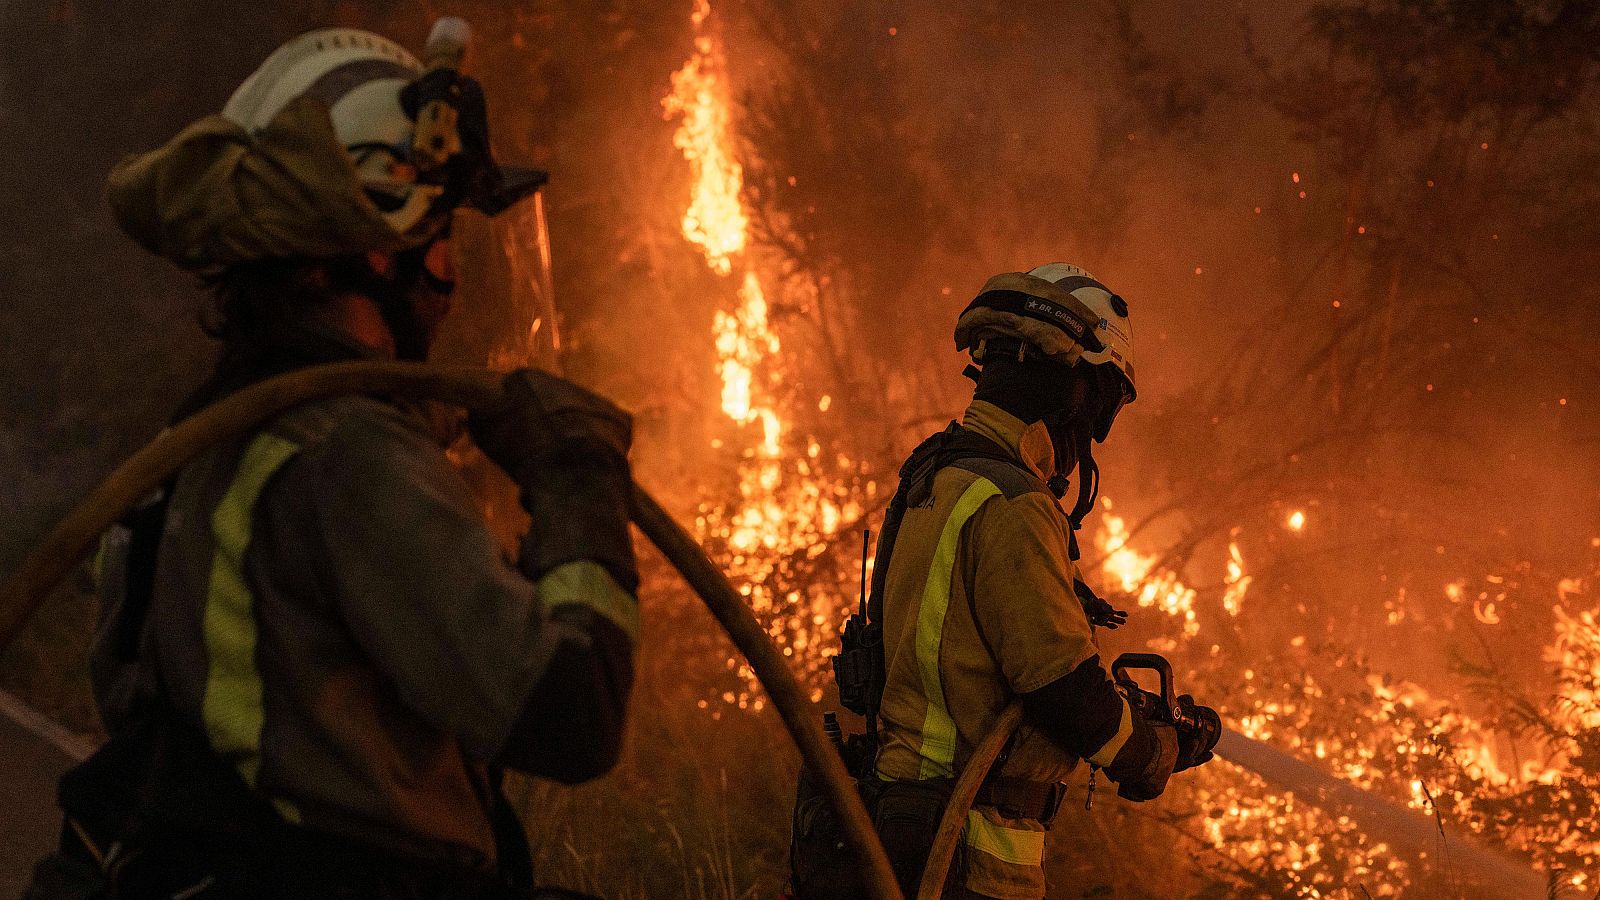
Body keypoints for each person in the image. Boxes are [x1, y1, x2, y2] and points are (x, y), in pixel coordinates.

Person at [26, 20, 634, 900]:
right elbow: (570, 714)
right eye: (443, 233)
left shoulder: (201, 447)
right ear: (379, 248)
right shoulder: (345, 455)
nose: (453, 275)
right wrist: (578, 480)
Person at [863, 264, 1217, 899]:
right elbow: (1062, 690)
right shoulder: (1011, 505)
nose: (1094, 435)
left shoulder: (940, 475)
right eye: (1104, 399)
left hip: (906, 824)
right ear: (1072, 386)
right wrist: (1154, 751)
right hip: (965, 849)